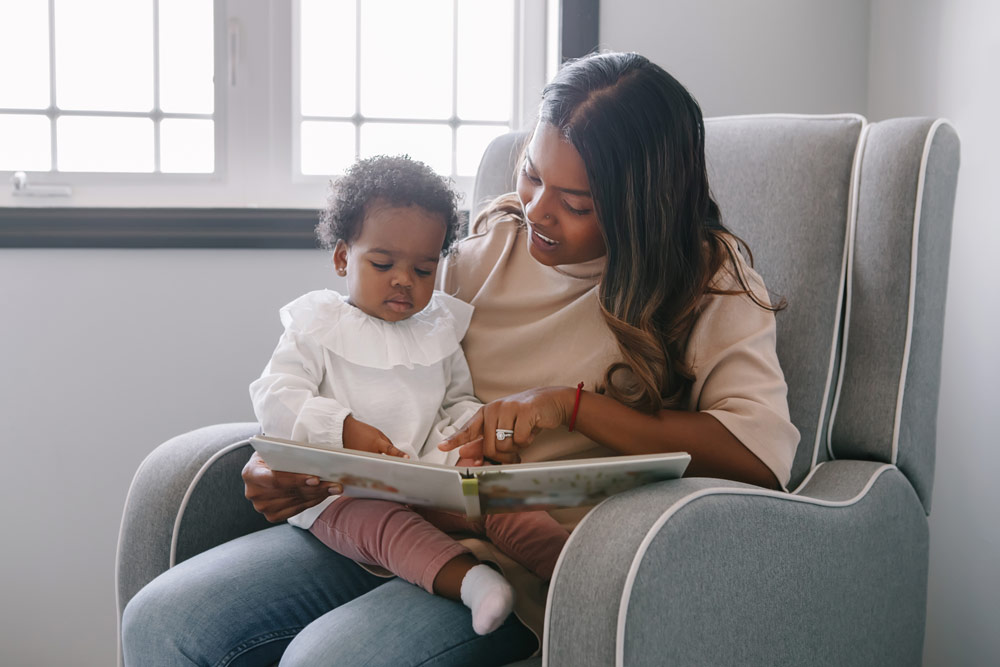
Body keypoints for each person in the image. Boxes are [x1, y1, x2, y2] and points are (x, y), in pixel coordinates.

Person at [122, 51, 799, 667]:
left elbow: (757, 457)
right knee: (161, 623)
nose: (537, 210)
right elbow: (370, 363)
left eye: (576, 203)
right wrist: (293, 459)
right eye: (532, 175)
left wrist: (570, 406)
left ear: (641, 206)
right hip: (390, 521)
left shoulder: (706, 279)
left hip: (529, 562)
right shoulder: (487, 245)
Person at [248, 154, 569, 637]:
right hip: (344, 492)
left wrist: (470, 437)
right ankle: (472, 583)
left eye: (423, 269)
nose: (404, 279)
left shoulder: (437, 329)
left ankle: (577, 573)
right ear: (342, 258)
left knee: (502, 497)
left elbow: (457, 401)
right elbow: (277, 394)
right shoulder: (316, 326)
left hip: (428, 473)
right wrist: (341, 429)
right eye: (383, 263)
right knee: (383, 525)